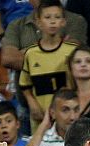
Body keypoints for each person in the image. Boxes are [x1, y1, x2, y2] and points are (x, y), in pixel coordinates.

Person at [18, 0, 78, 128]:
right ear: (38, 22)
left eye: (57, 17)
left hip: (68, 122)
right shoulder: (31, 54)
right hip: (40, 121)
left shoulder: (72, 51)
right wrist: (32, 103)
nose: (52, 21)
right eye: (47, 17)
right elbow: (25, 85)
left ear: (63, 21)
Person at [66, 46, 90, 119]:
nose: (83, 65)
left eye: (88, 61)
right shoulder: (64, 98)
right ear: (70, 68)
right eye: (78, 62)